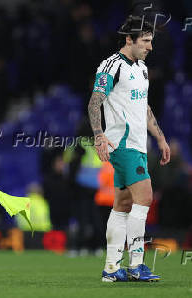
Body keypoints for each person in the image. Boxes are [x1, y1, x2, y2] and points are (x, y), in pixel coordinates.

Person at [88, 16, 170, 282]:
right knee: (144, 197)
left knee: (123, 204)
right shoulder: (112, 66)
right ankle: (136, 264)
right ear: (129, 40)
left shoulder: (142, 68)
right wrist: (99, 136)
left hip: (139, 145)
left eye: (151, 41)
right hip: (121, 144)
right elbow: (94, 102)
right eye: (145, 41)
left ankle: (111, 269)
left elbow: (144, 108)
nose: (150, 47)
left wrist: (160, 138)